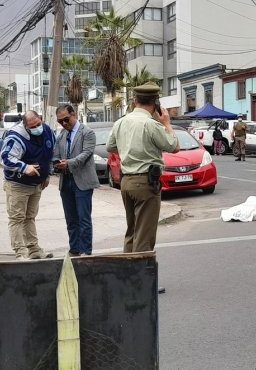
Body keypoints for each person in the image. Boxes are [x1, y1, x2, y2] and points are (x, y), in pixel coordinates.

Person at [107, 83, 179, 253]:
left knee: (132, 231)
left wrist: (129, 150)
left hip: (126, 182)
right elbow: (174, 146)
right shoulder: (151, 124)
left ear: (134, 101)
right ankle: (140, 277)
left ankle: (127, 273)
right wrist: (167, 123)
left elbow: (111, 146)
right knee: (144, 236)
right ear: (156, 103)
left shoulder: (120, 122)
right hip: (145, 183)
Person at [0, 110, 56, 260]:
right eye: (32, 127)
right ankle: (21, 252)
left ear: (41, 119)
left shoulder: (47, 131)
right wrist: (25, 168)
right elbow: (6, 159)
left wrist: (47, 173)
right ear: (25, 126)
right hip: (18, 184)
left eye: (38, 124)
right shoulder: (16, 137)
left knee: (30, 217)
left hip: (37, 184)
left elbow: (50, 154)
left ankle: (34, 250)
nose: (37, 128)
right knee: (17, 218)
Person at [53, 104, 97, 257]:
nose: (64, 124)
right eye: (60, 122)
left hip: (82, 181)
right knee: (71, 219)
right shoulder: (62, 135)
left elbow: (86, 154)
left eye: (66, 119)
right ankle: (74, 249)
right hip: (66, 181)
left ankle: (86, 251)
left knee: (83, 219)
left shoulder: (87, 133)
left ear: (74, 114)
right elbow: (56, 154)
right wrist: (56, 164)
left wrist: (69, 163)